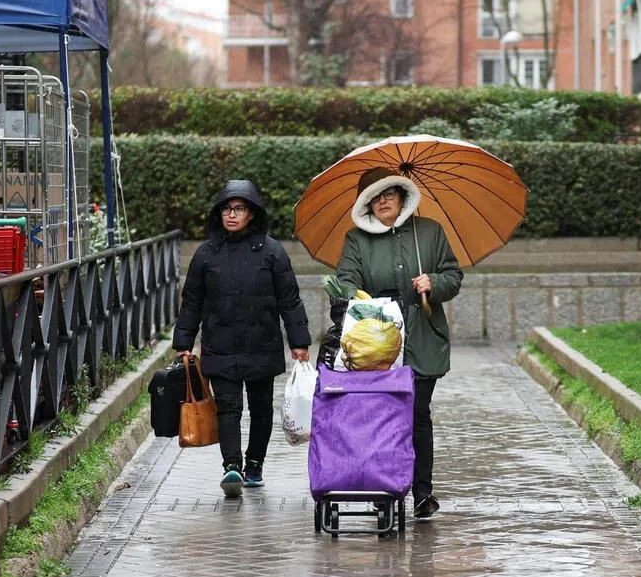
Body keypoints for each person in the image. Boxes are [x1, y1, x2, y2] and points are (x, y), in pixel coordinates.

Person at [335, 166, 463, 519]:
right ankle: (385, 490)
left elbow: (454, 276)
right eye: (374, 197)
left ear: (403, 196)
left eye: (388, 193)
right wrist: (359, 299)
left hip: (422, 335)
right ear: (366, 205)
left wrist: (433, 283)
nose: (383, 201)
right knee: (383, 416)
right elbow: (346, 278)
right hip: (377, 340)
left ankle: (422, 492)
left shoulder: (430, 232)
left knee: (417, 414)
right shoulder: (356, 239)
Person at [172, 180, 311, 497]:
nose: (231, 215)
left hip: (262, 343)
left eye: (238, 209)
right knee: (228, 407)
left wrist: (299, 342)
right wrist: (184, 341)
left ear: (252, 213)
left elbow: (289, 300)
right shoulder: (206, 254)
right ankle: (231, 466)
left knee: (262, 410)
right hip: (220, 344)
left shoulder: (272, 252)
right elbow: (192, 301)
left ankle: (255, 464)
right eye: (226, 209)